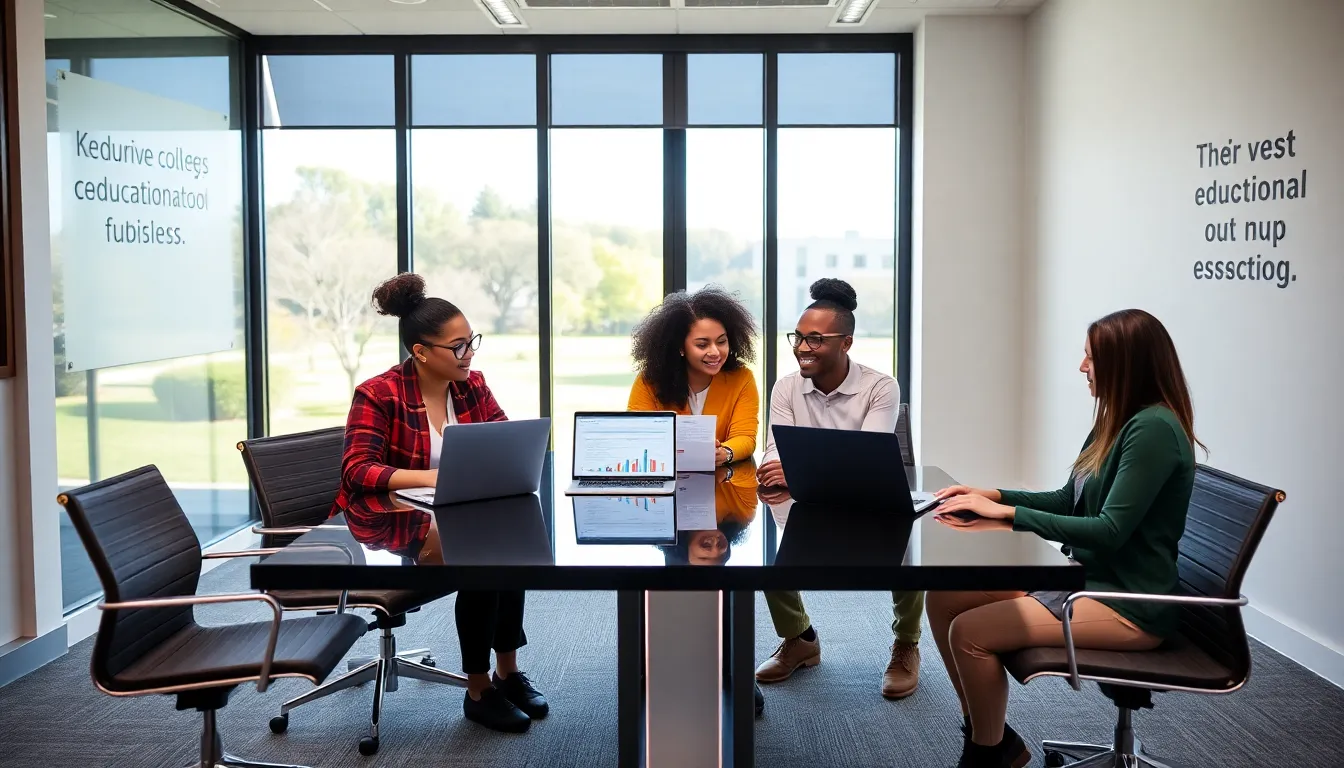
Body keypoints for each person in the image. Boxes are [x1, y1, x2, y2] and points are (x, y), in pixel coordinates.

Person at [926, 308, 1203, 768]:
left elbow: (1110, 531)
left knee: (970, 632)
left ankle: (987, 754)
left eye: (1091, 357)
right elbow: (1066, 498)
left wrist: (1009, 514)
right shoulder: (1116, 421)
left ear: (1124, 364)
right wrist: (988, 493)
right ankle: (991, 734)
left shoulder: (1152, 429)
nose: (1082, 367)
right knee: (943, 597)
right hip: (1088, 582)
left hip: (1128, 603)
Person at [336, 273, 547, 735]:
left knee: (509, 547)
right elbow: (357, 471)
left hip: (456, 510)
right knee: (482, 558)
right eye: (458, 346)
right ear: (421, 351)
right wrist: (435, 476)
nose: (468, 354)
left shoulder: (471, 386)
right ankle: (478, 691)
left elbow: (504, 437)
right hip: (389, 525)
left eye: (471, 341)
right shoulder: (379, 393)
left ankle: (507, 672)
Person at [752, 278, 925, 699]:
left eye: (815, 339)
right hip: (806, 501)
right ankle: (800, 640)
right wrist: (804, 471)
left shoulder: (881, 387)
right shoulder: (786, 386)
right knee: (770, 564)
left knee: (909, 557)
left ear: (845, 342)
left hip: (868, 502)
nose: (802, 347)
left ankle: (906, 644)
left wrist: (800, 470)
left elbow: (868, 460)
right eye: (798, 337)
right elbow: (775, 458)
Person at [627, 285, 760, 465]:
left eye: (721, 341)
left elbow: (745, 436)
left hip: (720, 485)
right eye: (702, 345)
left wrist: (725, 452)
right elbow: (637, 435)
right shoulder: (649, 381)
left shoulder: (742, 378)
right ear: (681, 347)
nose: (715, 352)